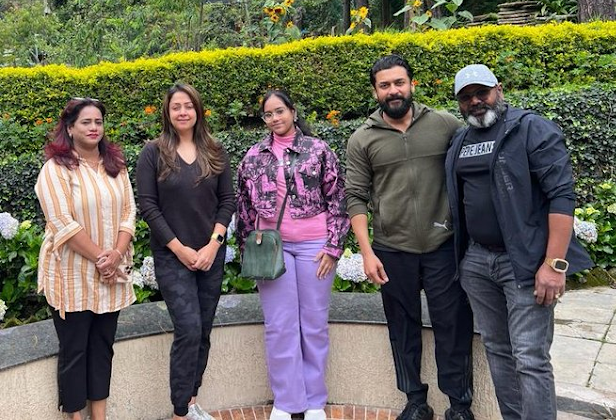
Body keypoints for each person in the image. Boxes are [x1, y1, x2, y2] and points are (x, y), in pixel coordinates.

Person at [445, 64, 594, 420]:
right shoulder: (460, 141)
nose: (475, 101)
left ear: (499, 89)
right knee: (498, 350)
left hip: (525, 263)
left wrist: (554, 264)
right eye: (466, 97)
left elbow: (562, 196)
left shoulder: (530, 128)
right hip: (477, 262)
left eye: (482, 93)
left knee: (529, 356)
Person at [345, 55, 475, 420]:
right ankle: (415, 401)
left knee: (453, 325)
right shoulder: (362, 139)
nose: (393, 91)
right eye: (384, 85)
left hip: (442, 247)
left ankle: (459, 405)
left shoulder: (444, 125)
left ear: (412, 84)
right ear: (375, 91)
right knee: (402, 328)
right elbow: (354, 196)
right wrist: (367, 252)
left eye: (399, 82)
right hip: (392, 249)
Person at [236, 90, 350, 420]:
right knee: (279, 325)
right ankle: (287, 401)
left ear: (293, 111)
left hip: (315, 247)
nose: (275, 118)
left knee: (313, 324)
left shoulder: (318, 150)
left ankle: (314, 401)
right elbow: (243, 206)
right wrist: (248, 249)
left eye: (280, 111)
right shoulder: (253, 156)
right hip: (272, 249)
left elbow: (338, 199)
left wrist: (333, 247)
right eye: (268, 114)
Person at [136, 83, 236, 420]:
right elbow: (149, 207)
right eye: (176, 106)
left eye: (188, 106)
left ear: (198, 110)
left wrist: (213, 244)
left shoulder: (215, 150)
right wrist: (180, 249)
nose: (182, 112)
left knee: (203, 330)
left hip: (210, 256)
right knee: (189, 328)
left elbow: (227, 201)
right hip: (172, 257)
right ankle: (180, 411)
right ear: (167, 112)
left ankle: (191, 401)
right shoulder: (153, 153)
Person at [35, 97, 136, 420]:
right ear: (70, 128)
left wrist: (116, 255)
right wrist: (101, 258)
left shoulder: (115, 165)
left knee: (103, 348)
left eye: (98, 122)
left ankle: (100, 416)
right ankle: (76, 417)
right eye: (86, 122)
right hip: (72, 276)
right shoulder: (55, 169)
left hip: (110, 276)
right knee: (75, 350)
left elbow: (129, 213)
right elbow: (62, 222)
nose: (94, 128)